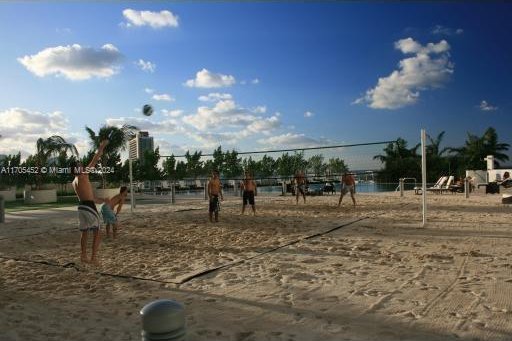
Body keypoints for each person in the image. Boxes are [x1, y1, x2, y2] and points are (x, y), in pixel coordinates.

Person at [71, 140, 109, 265]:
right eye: (80, 165)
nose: (82, 165)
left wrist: (102, 200)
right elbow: (95, 159)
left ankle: (83, 256)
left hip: (82, 207)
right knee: (97, 231)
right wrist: (101, 147)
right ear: (78, 168)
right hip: (88, 206)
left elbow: (87, 197)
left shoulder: (74, 181)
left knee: (85, 232)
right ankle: (93, 258)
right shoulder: (83, 175)